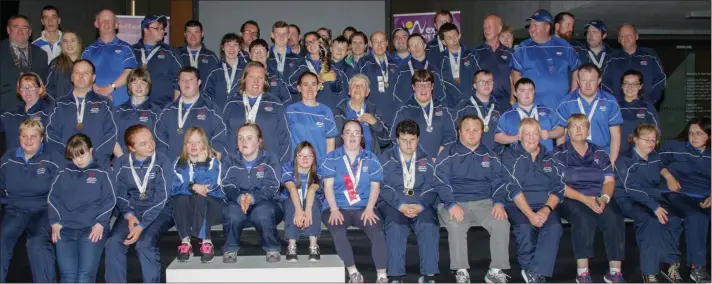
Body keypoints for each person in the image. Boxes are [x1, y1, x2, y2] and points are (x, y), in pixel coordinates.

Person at [434, 114, 511, 283]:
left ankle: (495, 270)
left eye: (476, 130)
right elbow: (440, 181)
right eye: (467, 130)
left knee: (501, 222)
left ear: (482, 132)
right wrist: (451, 204)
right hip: (455, 201)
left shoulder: (490, 154)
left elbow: (499, 181)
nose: (471, 133)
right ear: (459, 132)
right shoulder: (448, 153)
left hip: (485, 202)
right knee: (455, 224)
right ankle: (461, 271)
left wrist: (498, 202)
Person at [553, 114, 626, 283]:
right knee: (583, 218)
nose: (579, 130)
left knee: (614, 218)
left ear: (588, 130)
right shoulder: (558, 153)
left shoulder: (600, 152)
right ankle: (583, 273)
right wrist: (585, 199)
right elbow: (558, 186)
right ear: (568, 131)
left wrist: (605, 198)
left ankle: (615, 272)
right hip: (570, 197)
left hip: (599, 196)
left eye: (582, 126)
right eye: (574, 126)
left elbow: (609, 181)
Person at [614, 124, 683, 283]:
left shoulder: (655, 157)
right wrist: (655, 207)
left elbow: (662, 167)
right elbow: (631, 188)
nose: (651, 143)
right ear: (635, 140)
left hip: (653, 198)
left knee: (673, 220)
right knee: (650, 221)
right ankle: (650, 272)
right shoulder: (624, 160)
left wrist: (668, 176)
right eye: (647, 140)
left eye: (654, 140)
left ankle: (669, 264)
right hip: (628, 199)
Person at [104, 124, 175, 282]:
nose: (150, 145)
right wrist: (129, 216)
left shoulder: (162, 160)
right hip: (132, 211)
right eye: (143, 143)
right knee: (113, 242)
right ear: (131, 148)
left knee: (144, 243)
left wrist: (142, 226)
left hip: (160, 211)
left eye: (151, 140)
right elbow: (119, 194)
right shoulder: (120, 163)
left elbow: (162, 198)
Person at [320, 120, 387, 283]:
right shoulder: (332, 157)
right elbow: (327, 186)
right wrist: (334, 208)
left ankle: (382, 276)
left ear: (361, 136)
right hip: (337, 206)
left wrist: (370, 208)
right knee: (337, 231)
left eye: (356, 132)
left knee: (378, 232)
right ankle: (353, 273)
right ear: (342, 136)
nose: (352, 136)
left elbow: (375, 187)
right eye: (348, 132)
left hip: (364, 207)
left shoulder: (370, 158)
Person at [500, 118, 564, 283]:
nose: (531, 137)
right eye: (527, 134)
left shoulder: (550, 156)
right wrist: (530, 214)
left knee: (555, 226)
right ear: (519, 136)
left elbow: (559, 187)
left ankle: (535, 273)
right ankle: (528, 269)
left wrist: (546, 209)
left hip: (545, 205)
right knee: (525, 227)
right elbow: (512, 188)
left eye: (535, 133)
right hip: (517, 205)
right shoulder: (509, 155)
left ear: (540, 135)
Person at [48, 134, 115, 283]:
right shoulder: (62, 172)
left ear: (91, 150)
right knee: (67, 276)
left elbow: (110, 199)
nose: (78, 160)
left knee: (85, 275)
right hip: (65, 230)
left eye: (81, 154)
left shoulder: (102, 172)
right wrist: (54, 223)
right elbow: (53, 198)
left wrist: (100, 223)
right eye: (73, 156)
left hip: (91, 230)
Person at [378, 119, 439, 283]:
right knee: (395, 226)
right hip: (393, 203)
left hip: (420, 203)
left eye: (412, 140)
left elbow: (432, 186)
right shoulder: (386, 158)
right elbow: (382, 185)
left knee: (429, 225)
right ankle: (396, 277)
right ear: (397, 139)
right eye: (404, 140)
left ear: (418, 139)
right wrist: (401, 205)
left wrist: (420, 206)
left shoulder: (426, 159)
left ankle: (428, 276)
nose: (409, 144)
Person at [0, 120, 60, 283]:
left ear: (42, 138)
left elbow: (60, 190)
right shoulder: (8, 157)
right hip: (14, 210)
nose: (28, 140)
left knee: (37, 243)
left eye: (33, 136)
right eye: (24, 136)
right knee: (1, 240)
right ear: (19, 137)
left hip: (43, 210)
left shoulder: (52, 157)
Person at [659, 117, 711, 283]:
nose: (693, 137)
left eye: (699, 133)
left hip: (704, 196)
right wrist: (668, 177)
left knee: (697, 216)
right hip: (677, 193)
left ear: (709, 135)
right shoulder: (675, 147)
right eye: (691, 133)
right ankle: (697, 268)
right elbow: (654, 160)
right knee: (696, 217)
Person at [221, 123, 283, 263]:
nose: (244, 142)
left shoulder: (270, 159)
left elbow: (272, 186)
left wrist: (252, 198)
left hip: (267, 204)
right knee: (230, 211)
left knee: (262, 212)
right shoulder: (230, 160)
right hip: (239, 204)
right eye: (240, 138)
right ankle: (230, 248)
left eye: (249, 138)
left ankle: (272, 248)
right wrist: (239, 197)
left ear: (259, 141)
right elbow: (227, 185)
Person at [46, 60, 116, 170]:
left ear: (93, 78)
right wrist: (69, 157)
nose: (81, 76)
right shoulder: (59, 104)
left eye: (86, 73)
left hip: (97, 166)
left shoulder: (104, 103)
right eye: (77, 73)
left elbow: (111, 133)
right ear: (72, 77)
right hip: (65, 167)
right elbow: (51, 133)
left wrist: (94, 158)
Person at [171, 126, 224, 263]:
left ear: (205, 144)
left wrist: (201, 165)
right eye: (190, 142)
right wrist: (192, 187)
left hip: (213, 207)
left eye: (198, 142)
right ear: (185, 145)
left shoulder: (213, 162)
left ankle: (206, 241)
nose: (193, 145)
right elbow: (173, 187)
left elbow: (210, 187)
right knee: (180, 199)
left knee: (200, 196)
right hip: (189, 206)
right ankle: (185, 242)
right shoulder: (178, 163)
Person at [511, 9, 580, 110]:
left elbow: (577, 69)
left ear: (547, 27)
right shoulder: (523, 48)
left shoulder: (564, 45)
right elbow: (515, 74)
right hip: (532, 108)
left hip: (560, 108)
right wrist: (524, 99)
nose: (531, 29)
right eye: (530, 25)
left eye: (535, 25)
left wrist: (572, 95)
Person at [154, 66, 227, 161]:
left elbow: (219, 140)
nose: (186, 83)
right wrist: (166, 166)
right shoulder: (168, 111)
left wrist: (211, 168)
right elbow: (160, 141)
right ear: (179, 84)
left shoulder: (211, 109)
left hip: (202, 170)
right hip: (173, 170)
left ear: (199, 83)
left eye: (191, 80)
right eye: (183, 80)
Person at [222, 61, 290, 162]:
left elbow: (285, 138)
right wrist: (228, 162)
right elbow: (222, 136)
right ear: (244, 79)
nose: (256, 81)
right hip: (236, 165)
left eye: (260, 78)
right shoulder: (231, 104)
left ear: (265, 81)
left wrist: (280, 165)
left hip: (268, 166)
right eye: (252, 77)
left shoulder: (276, 104)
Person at [557, 63, 623, 163]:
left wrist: (612, 162)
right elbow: (561, 134)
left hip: (601, 157)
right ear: (578, 81)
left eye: (591, 80)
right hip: (572, 158)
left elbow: (615, 134)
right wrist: (561, 160)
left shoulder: (610, 101)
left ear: (599, 81)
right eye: (584, 80)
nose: (587, 85)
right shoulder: (566, 102)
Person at [391, 70, 455, 160]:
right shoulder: (404, 110)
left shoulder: (442, 108)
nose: (423, 89)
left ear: (432, 86)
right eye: (419, 85)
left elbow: (451, 135)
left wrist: (441, 154)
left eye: (427, 85)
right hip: (415, 162)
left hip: (440, 161)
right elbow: (395, 137)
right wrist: (417, 157)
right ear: (413, 87)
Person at [82, 9, 137, 106]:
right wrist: (98, 92)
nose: (106, 23)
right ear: (96, 24)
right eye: (103, 20)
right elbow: (82, 75)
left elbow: (130, 73)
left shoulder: (126, 48)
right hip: (94, 106)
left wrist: (109, 88)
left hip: (121, 107)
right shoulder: (88, 51)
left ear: (116, 24)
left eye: (110, 20)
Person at [602, 24, 665, 104]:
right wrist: (614, 102)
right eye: (622, 36)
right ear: (618, 39)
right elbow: (605, 82)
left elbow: (660, 79)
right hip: (618, 109)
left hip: (645, 108)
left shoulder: (650, 55)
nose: (626, 39)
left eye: (629, 35)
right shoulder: (611, 58)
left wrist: (650, 100)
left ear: (636, 36)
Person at [496, 78, 564, 152]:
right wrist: (516, 138)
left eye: (530, 90)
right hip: (519, 159)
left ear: (534, 92)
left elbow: (560, 130)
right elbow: (497, 137)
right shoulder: (507, 115)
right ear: (515, 93)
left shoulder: (547, 110)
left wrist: (549, 134)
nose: (527, 93)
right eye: (522, 91)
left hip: (545, 158)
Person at [281, 141, 322, 262]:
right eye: (301, 155)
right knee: (291, 205)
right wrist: (299, 210)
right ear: (295, 157)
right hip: (291, 200)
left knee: (314, 203)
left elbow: (311, 191)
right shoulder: (287, 167)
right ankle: (291, 245)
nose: (305, 158)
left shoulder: (318, 170)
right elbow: (292, 189)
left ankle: (313, 245)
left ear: (314, 157)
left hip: (311, 200)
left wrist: (307, 211)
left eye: (309, 155)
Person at [285, 72, 338, 163]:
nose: (310, 89)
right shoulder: (290, 110)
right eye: (305, 84)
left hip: (319, 167)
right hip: (296, 166)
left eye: (313, 84)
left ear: (318, 87)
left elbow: (330, 143)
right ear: (299, 88)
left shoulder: (326, 111)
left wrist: (328, 166)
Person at [0, 15, 49, 111]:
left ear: (30, 32)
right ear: (8, 30)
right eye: (16, 27)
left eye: (24, 28)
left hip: (33, 111)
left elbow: (43, 84)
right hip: (4, 110)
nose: (20, 31)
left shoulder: (41, 54)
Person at [132, 15, 181, 108]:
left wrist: (174, 107)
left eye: (162, 28)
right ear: (145, 30)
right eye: (157, 28)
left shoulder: (170, 52)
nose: (161, 31)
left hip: (163, 107)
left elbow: (180, 78)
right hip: (137, 107)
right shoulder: (132, 51)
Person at [287, 33, 345, 111]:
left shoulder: (331, 63)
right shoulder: (300, 63)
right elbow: (290, 85)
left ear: (320, 42)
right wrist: (314, 79)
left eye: (314, 40)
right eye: (307, 42)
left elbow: (339, 90)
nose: (311, 44)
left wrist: (333, 81)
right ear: (306, 46)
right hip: (305, 109)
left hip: (327, 109)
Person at [334, 74, 390, 154]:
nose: (357, 87)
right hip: (344, 162)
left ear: (367, 93)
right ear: (349, 91)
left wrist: (375, 124)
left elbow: (386, 141)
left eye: (362, 85)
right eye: (354, 85)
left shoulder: (374, 112)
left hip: (370, 163)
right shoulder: (338, 113)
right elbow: (333, 143)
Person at [453, 70, 506, 151]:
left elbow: (503, 135)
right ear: (474, 85)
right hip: (468, 155)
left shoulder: (499, 109)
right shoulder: (463, 107)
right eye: (482, 82)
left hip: (494, 157)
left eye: (489, 81)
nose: (486, 84)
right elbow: (452, 131)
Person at [113, 68, 162, 156]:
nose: (138, 87)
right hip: (122, 160)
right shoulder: (118, 110)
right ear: (129, 86)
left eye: (143, 83)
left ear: (148, 86)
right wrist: (121, 159)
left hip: (148, 161)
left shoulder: (156, 111)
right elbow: (112, 138)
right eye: (134, 83)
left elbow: (160, 141)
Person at [0, 73, 53, 151]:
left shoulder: (50, 113)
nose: (27, 91)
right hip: (13, 161)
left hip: (40, 161)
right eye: (23, 88)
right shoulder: (9, 114)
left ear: (40, 89)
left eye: (31, 87)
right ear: (19, 91)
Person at [391, 33, 446, 106]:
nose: (416, 47)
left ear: (424, 45)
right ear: (409, 49)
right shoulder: (402, 70)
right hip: (408, 112)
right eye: (412, 45)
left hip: (430, 112)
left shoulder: (434, 70)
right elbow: (396, 95)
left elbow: (441, 94)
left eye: (419, 44)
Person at [475, 15, 514, 111]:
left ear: (499, 28)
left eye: (489, 27)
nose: (486, 30)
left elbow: (515, 77)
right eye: (484, 28)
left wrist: (513, 101)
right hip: (484, 104)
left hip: (506, 104)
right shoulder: (475, 52)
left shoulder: (510, 53)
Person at [358, 32, 399, 123]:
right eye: (376, 42)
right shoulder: (363, 63)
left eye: (382, 41)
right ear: (370, 44)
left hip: (393, 113)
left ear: (387, 43)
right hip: (371, 113)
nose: (379, 44)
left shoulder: (395, 62)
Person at [617, 70, 660, 154]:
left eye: (634, 84)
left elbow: (657, 132)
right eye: (626, 83)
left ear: (640, 86)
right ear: (622, 85)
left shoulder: (647, 107)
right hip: (617, 156)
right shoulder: (613, 106)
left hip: (640, 156)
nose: (630, 87)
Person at [439, 23, 480, 106]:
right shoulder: (440, 59)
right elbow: (440, 83)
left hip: (471, 101)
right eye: (449, 38)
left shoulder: (471, 54)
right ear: (443, 42)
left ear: (459, 35)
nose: (453, 40)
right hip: (450, 103)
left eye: (455, 36)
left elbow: (479, 76)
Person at [202, 33, 244, 107]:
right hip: (219, 114)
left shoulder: (246, 69)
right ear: (222, 47)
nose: (231, 48)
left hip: (240, 114)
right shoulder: (214, 69)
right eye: (228, 45)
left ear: (239, 48)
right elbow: (207, 94)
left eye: (235, 45)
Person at [247, 39, 292, 104]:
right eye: (255, 51)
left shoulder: (277, 75)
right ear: (250, 55)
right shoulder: (244, 75)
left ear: (268, 54)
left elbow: (287, 99)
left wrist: (279, 112)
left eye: (262, 50)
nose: (258, 53)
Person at [46, 30, 82, 100]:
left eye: (72, 40)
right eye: (65, 41)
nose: (69, 44)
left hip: (83, 108)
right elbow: (47, 89)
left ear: (78, 43)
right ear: (61, 44)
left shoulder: (86, 63)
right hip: (61, 108)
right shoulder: (55, 64)